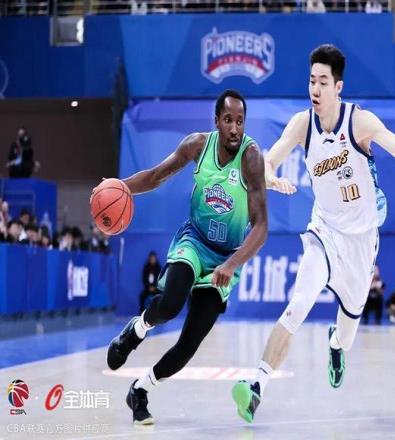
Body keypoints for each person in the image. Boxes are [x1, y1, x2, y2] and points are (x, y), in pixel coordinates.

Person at [231, 44, 395, 423]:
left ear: (338, 87)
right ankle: (256, 385)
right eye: (312, 80)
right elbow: (268, 161)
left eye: (323, 82)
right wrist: (271, 178)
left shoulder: (360, 122)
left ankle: (336, 345)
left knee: (347, 332)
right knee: (298, 303)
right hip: (323, 232)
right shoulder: (302, 124)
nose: (315, 88)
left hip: (362, 241)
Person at [104, 89, 267, 425]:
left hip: (226, 257)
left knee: (189, 344)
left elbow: (261, 227)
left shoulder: (251, 159)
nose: (234, 128)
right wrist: (119, 187)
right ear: (217, 121)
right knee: (170, 304)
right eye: (228, 120)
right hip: (194, 240)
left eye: (240, 121)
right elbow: (155, 176)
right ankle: (137, 329)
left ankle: (140, 390)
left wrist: (232, 264)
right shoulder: (197, 145)